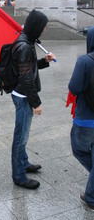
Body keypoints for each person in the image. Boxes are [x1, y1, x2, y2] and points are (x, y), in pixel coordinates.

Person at [11, 9, 56, 189]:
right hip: (23, 96)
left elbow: (29, 68)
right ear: (37, 26)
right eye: (43, 27)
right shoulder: (23, 45)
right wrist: (36, 103)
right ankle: (19, 176)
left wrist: (44, 61)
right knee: (20, 137)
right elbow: (26, 78)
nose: (44, 30)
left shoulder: (28, 42)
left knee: (23, 135)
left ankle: (24, 163)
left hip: (23, 94)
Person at [68, 26, 94, 211]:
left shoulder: (84, 61)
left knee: (79, 149)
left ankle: (92, 198)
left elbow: (74, 88)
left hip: (86, 118)